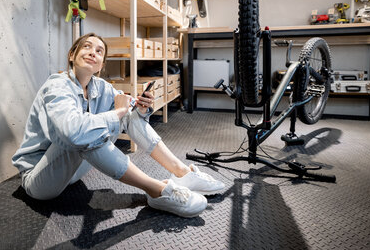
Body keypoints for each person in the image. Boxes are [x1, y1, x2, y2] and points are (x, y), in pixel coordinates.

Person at [12, 33, 224, 217]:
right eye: (86, 46)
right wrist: (118, 112)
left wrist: (141, 110)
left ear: (102, 65)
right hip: (40, 180)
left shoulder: (101, 87)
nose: (92, 51)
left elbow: (128, 113)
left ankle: (182, 173)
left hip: (73, 174)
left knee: (125, 116)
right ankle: (157, 191)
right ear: (71, 55)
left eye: (99, 50)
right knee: (88, 132)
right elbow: (72, 133)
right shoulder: (57, 84)